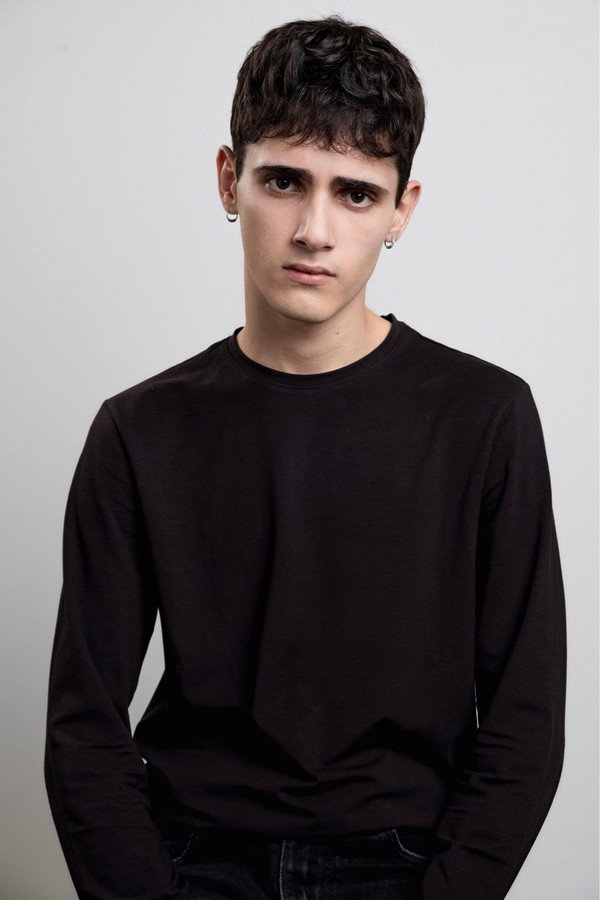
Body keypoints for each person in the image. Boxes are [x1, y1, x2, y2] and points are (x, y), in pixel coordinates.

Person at [44, 15, 567, 900]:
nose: (314, 230)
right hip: (194, 862)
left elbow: (526, 714)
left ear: (402, 209)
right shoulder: (139, 431)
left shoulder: (485, 417)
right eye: (284, 181)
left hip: (403, 864)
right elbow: (82, 726)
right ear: (229, 179)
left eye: (356, 193)